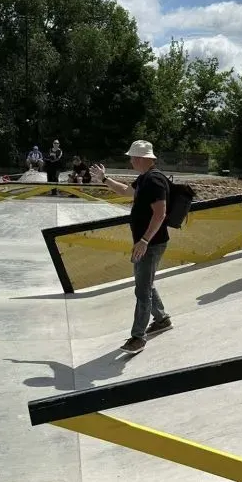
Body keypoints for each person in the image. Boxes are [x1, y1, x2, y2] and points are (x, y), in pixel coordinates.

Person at [91, 140, 172, 354]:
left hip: (151, 243)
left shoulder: (154, 180)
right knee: (146, 283)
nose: (131, 161)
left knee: (142, 290)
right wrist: (105, 179)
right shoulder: (145, 178)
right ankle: (162, 319)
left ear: (142, 158)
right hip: (146, 242)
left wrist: (144, 241)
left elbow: (160, 213)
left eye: (133, 157)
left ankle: (138, 338)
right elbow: (126, 191)